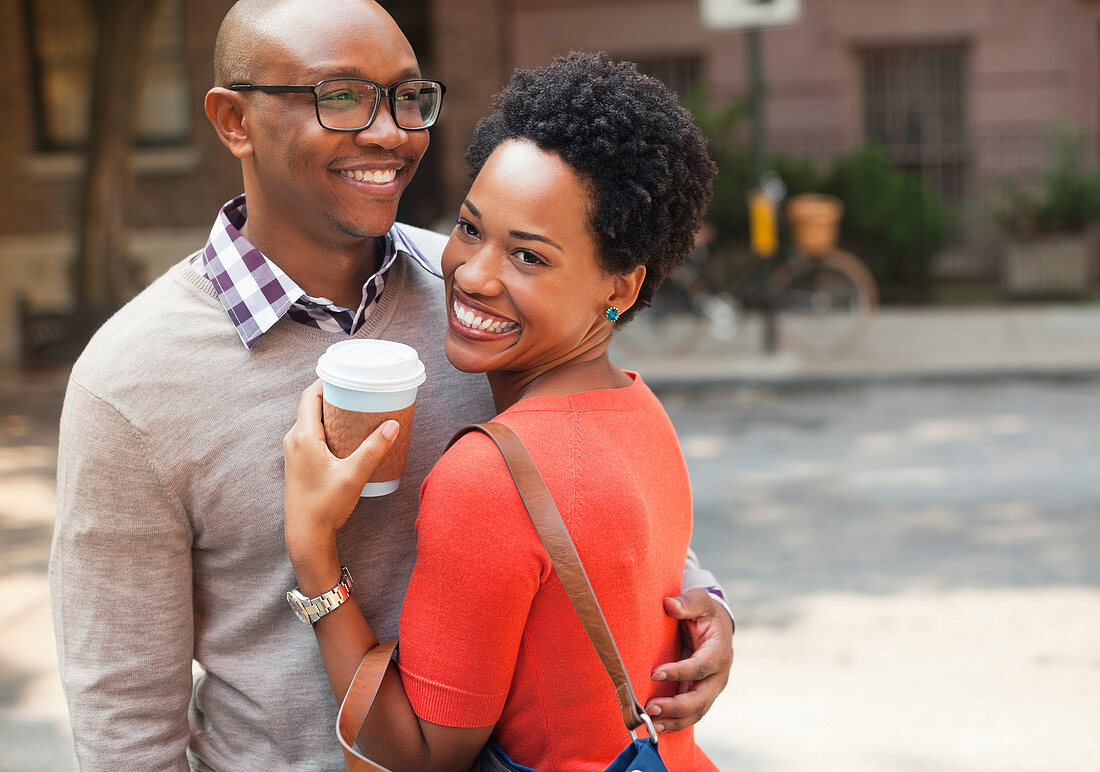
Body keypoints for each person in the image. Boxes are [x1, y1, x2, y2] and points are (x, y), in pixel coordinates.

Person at [48, 1, 732, 768]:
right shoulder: (129, 381)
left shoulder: (477, 298)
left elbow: (578, 479)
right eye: (340, 97)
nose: (390, 132)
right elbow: (124, 720)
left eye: (408, 96)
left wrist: (697, 600)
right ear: (233, 120)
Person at [283, 52, 719, 770]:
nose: (474, 274)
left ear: (621, 284)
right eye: (470, 228)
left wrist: (313, 554)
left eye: (530, 258)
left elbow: (425, 757)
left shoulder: (488, 477)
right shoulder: (638, 406)